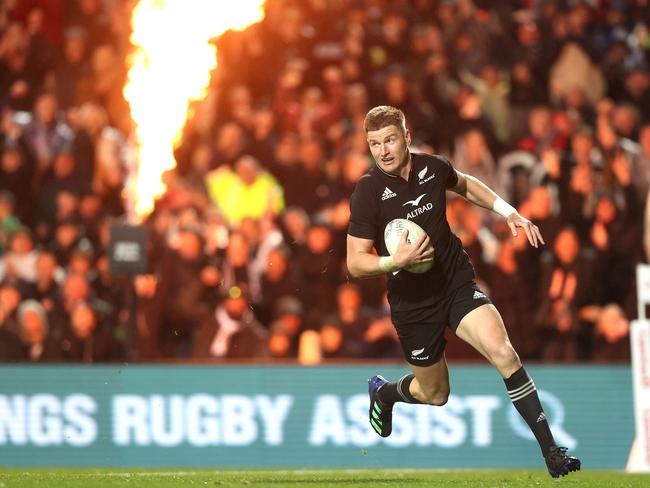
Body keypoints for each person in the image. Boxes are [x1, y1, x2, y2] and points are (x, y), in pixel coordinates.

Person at [346, 106, 580, 478]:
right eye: (374, 144)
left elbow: (466, 184)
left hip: (453, 282)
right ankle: (386, 393)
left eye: (389, 140)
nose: (383, 151)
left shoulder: (433, 168)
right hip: (413, 303)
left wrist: (509, 212)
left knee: (504, 353)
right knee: (436, 394)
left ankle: (552, 452)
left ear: (406, 137)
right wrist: (395, 262)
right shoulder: (368, 191)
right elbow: (355, 263)